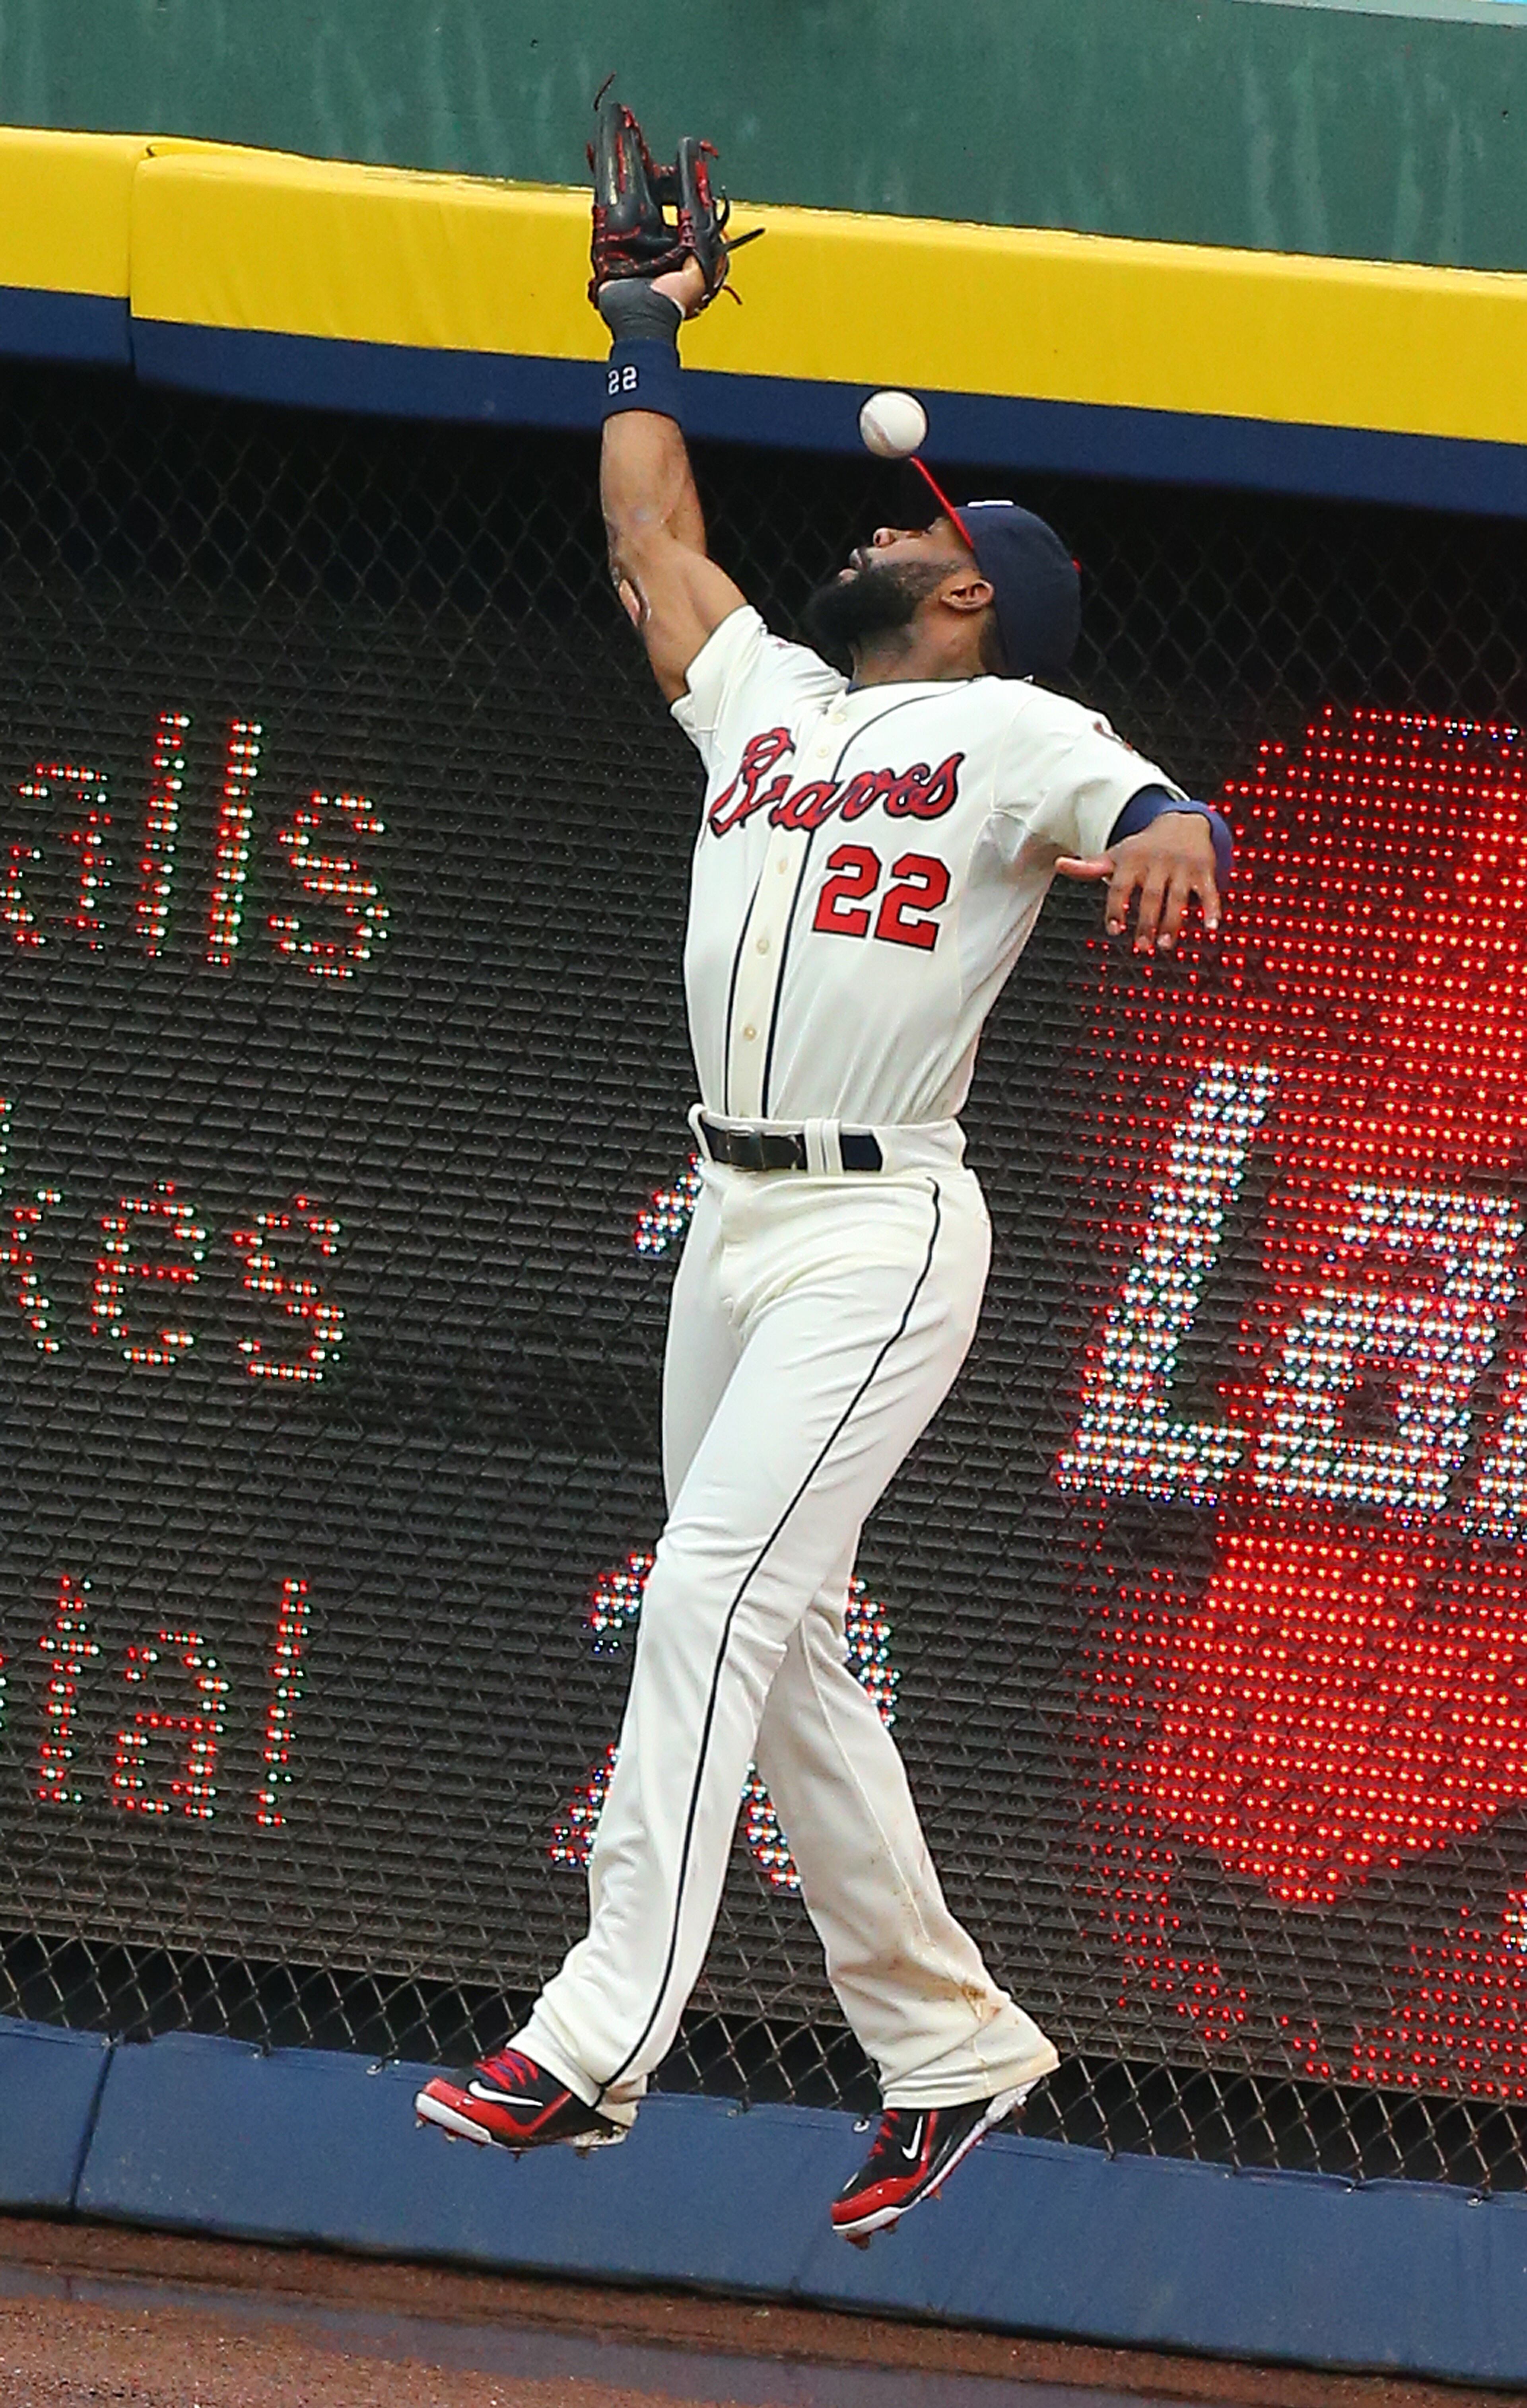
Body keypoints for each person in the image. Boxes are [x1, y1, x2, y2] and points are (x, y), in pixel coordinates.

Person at [416, 107, 1230, 2245]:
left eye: (914, 536)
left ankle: (593, 2042)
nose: (871, 538)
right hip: (735, 1222)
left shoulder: (1017, 730)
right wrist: (637, 340)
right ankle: (952, 2049)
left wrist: (1170, 840)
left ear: (969, 589)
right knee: (779, 1657)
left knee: (707, 1593)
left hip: (883, 1222)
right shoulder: (768, 694)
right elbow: (651, 547)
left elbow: (1151, 799)